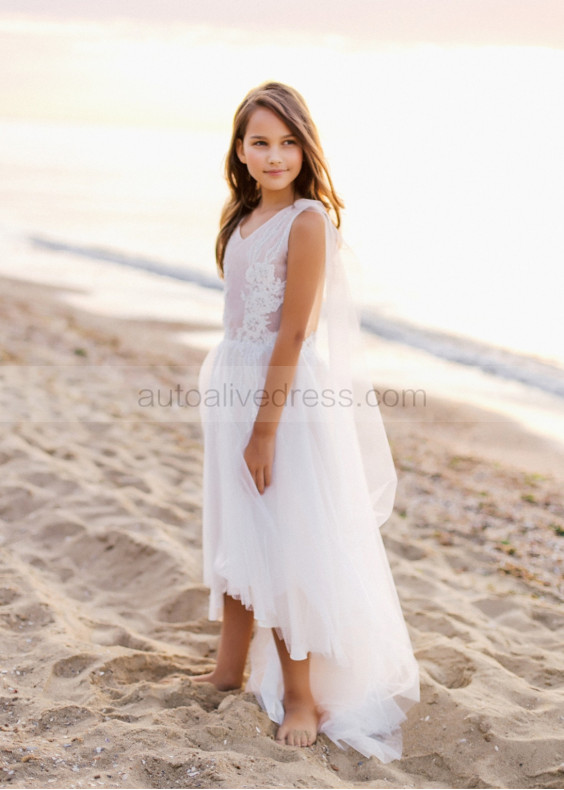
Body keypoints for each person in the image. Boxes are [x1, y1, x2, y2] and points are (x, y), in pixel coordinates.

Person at [196, 81, 419, 762]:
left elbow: (293, 335)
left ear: (305, 148)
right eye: (261, 142)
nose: (275, 155)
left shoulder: (307, 221)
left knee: (285, 536)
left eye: (288, 142)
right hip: (233, 389)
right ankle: (227, 670)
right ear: (240, 149)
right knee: (238, 531)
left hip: (282, 402)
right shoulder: (241, 220)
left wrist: (264, 430)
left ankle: (300, 693)